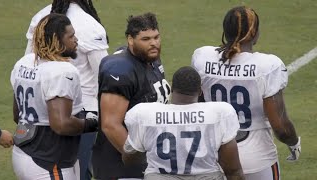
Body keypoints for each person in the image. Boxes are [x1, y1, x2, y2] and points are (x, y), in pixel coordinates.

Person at [191, 6, 301, 180]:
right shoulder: (268, 66)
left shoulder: (202, 57)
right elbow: (280, 127)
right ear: (254, 33)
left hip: (214, 156)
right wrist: (294, 143)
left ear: (225, 31)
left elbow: (197, 103)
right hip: (256, 159)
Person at [25, 1, 109, 179]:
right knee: (76, 172)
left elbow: (29, 65)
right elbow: (105, 77)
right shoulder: (90, 25)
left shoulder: (40, 18)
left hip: (38, 116)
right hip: (81, 116)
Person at [122, 66, 245, 180]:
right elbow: (233, 170)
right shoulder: (220, 113)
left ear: (171, 89)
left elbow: (129, 158)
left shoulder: (144, 114)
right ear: (200, 91)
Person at [92, 12, 171, 179]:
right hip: (121, 166)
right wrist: (142, 161)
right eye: (146, 39)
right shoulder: (120, 69)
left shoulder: (152, 59)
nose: (153, 43)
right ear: (130, 40)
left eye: (156, 37)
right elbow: (110, 125)